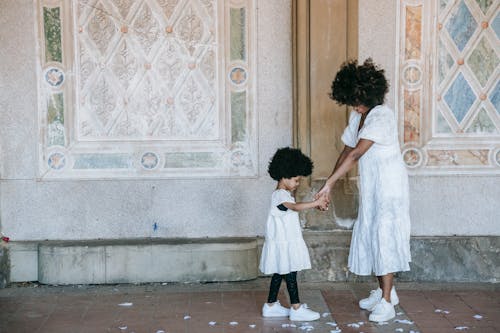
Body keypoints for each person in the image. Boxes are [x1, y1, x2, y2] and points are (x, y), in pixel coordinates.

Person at [315, 58, 411, 322]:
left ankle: (388, 301)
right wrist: (328, 184)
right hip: (372, 185)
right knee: (371, 233)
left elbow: (357, 154)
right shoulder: (358, 115)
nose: (353, 104)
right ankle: (383, 292)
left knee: (383, 236)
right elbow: (346, 148)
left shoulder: (382, 116)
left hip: (390, 187)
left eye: (356, 99)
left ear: (367, 94)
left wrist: (331, 183)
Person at [259, 147, 328, 321]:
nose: (297, 184)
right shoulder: (280, 195)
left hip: (284, 242)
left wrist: (316, 204)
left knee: (279, 273)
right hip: (284, 243)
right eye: (296, 180)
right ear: (284, 175)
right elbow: (296, 208)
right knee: (290, 274)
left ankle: (271, 305)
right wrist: (315, 202)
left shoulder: (284, 194)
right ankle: (296, 308)